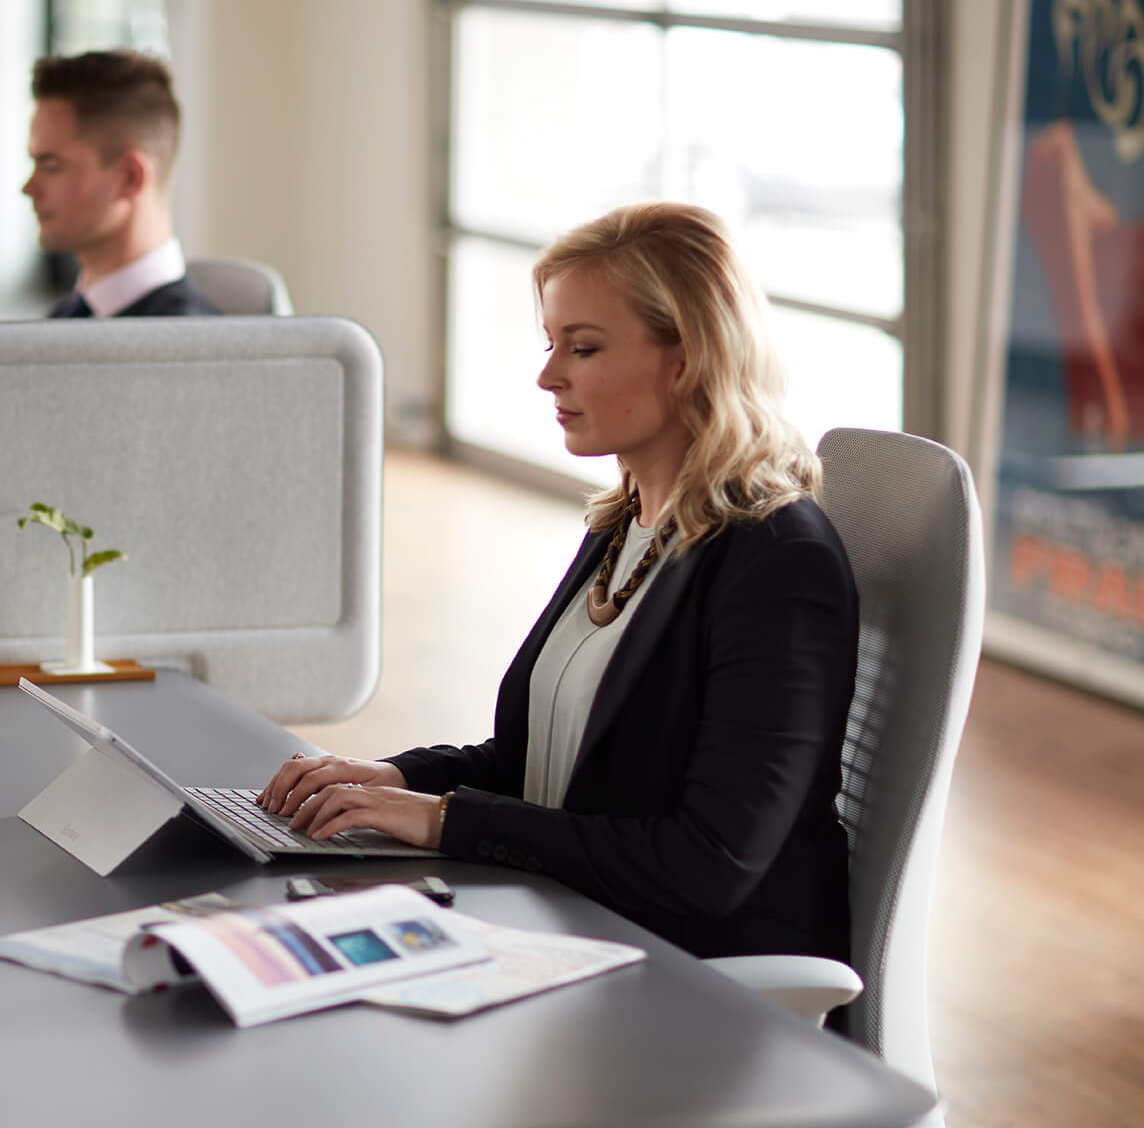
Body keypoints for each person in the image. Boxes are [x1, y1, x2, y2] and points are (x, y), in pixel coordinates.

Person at [258, 202, 859, 963]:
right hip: (579, 921)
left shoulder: (777, 560)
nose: (548, 375)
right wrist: (389, 779)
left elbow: (710, 865)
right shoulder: (628, 524)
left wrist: (444, 820)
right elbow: (539, 763)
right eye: (552, 344)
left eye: (583, 348)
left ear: (688, 360)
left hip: (692, 972)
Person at [23, 50, 220, 318]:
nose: (29, 188)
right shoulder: (63, 316)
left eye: (52, 167)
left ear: (129, 177)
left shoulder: (195, 348)